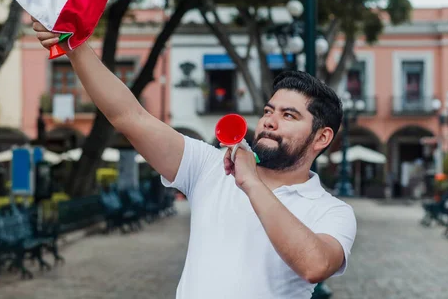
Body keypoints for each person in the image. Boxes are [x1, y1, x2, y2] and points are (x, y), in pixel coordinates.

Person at [32, 18, 356, 299]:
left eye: (289, 115)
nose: (270, 120)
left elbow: (314, 265)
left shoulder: (332, 212)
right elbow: (129, 116)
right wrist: (74, 47)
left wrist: (252, 184)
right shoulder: (209, 166)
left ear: (322, 137)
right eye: (269, 111)